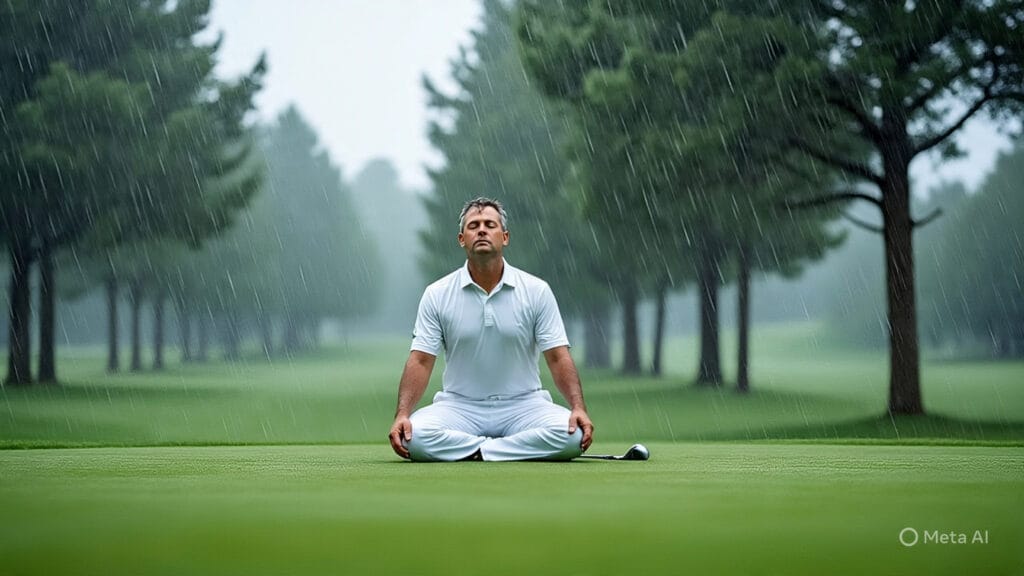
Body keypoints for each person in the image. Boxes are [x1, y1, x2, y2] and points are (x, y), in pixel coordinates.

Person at [388, 197, 594, 462]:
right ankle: (507, 449)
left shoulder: (536, 290)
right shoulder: (437, 294)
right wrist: (402, 415)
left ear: (505, 237)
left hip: (525, 405)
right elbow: (420, 360)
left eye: (490, 225)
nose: (482, 230)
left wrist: (578, 407)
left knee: (572, 436)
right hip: (459, 407)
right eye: (474, 225)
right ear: (462, 239)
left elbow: (557, 356)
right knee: (412, 437)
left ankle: (479, 451)